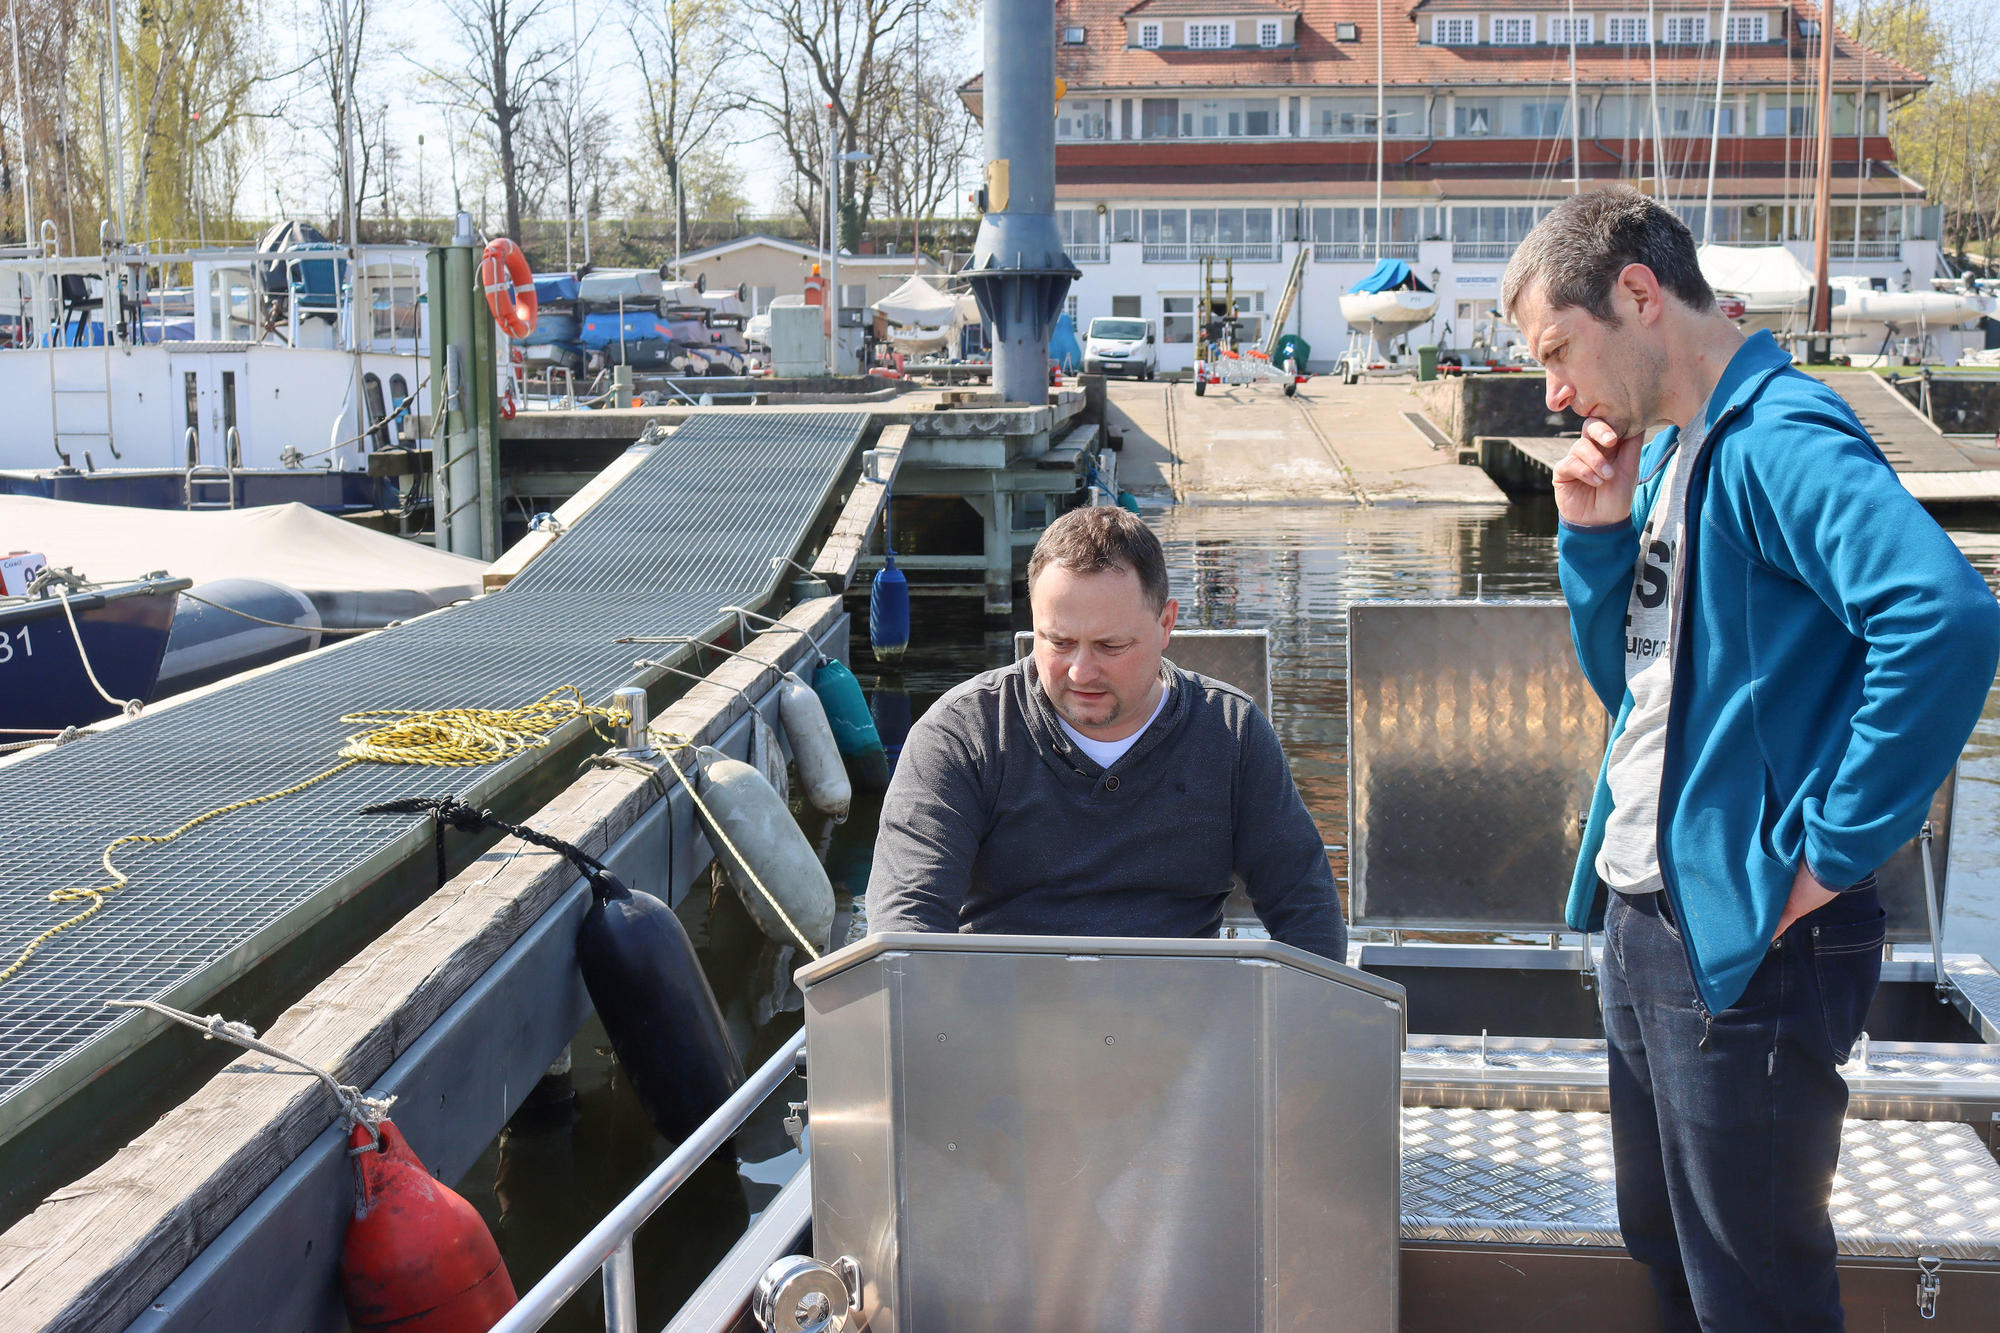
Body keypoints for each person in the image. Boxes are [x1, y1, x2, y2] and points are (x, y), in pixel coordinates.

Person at [1502, 186, 1999, 1331]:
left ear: (1637, 294)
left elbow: (1942, 619)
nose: (1553, 392)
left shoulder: (1775, 437)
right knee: (1669, 1251)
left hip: (1747, 938)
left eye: (1557, 351)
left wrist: (1827, 853)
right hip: (1648, 917)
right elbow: (1639, 694)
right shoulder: (1679, 453)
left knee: (1753, 1289)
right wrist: (1594, 540)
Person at [865, 506, 1346, 962]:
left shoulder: (1230, 733)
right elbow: (907, 924)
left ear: (1166, 624)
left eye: (1110, 646)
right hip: (1000, 1009)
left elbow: (1306, 910)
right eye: (1059, 642)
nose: (1081, 672)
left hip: (1180, 1009)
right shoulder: (961, 735)